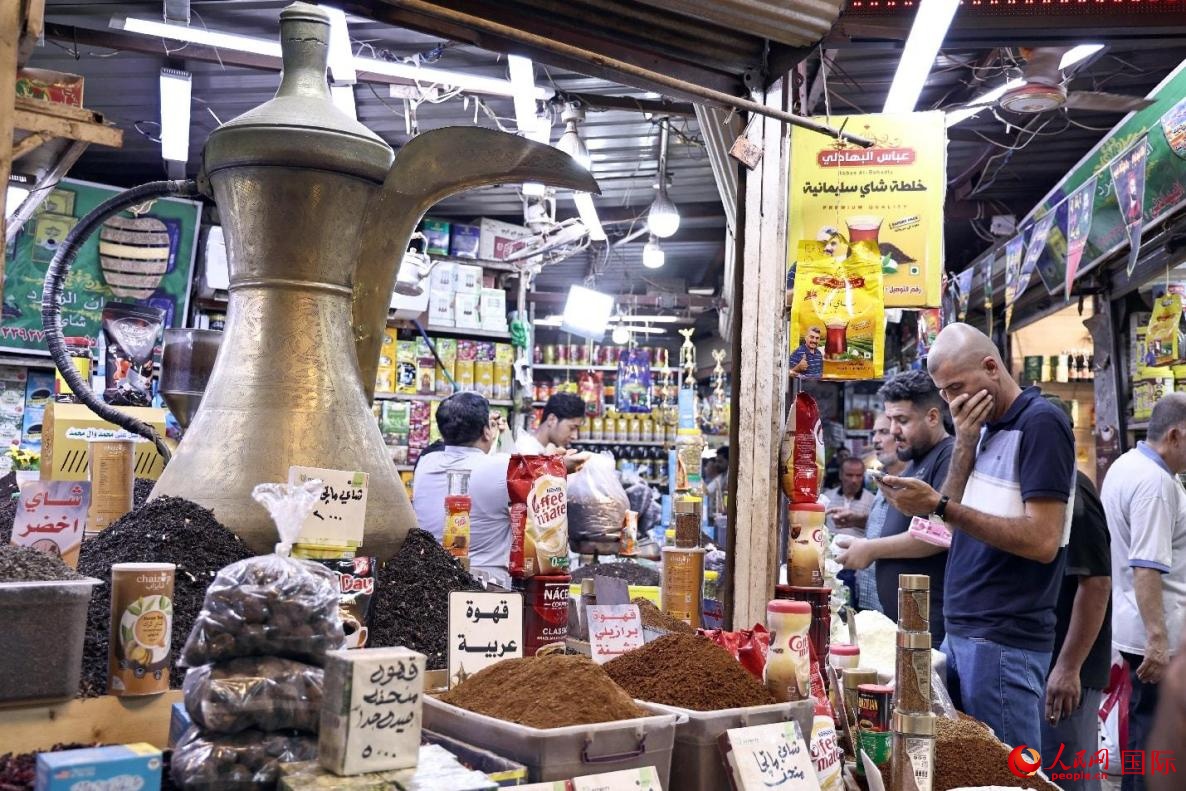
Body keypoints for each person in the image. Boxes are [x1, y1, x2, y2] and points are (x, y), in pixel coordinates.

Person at [878, 322, 1075, 753]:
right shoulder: (983, 427)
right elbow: (947, 522)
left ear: (991, 367)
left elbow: (1043, 540)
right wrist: (965, 442)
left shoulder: (1041, 423)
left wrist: (939, 504)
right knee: (971, 763)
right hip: (965, 629)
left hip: (1004, 636)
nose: (952, 402)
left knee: (1007, 773)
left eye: (956, 387)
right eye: (944, 393)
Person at [1099, 392, 1186, 791]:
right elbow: (1146, 566)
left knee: (1141, 733)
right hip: (1154, 633)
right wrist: (1157, 639)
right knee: (1153, 738)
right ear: (1175, 435)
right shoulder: (1155, 483)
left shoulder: (1126, 465)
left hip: (1134, 623)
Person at [837, 370, 953, 646]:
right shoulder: (915, 460)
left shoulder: (948, 456)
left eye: (902, 420)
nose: (892, 430)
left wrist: (871, 549)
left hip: (927, 620)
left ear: (932, 417)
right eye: (890, 420)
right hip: (904, 620)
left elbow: (941, 534)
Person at [1040, 395, 1111, 791]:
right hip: (1053, 661)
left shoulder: (1074, 494)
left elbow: (1096, 583)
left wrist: (1068, 668)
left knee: (1070, 776)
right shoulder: (1054, 489)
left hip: (1070, 669)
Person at [411, 392, 513, 587]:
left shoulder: (425, 463)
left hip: (432, 584)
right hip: (486, 586)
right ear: (486, 432)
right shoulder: (501, 467)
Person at [852, 413, 907, 613]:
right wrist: (859, 520)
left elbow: (929, 537)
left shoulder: (914, 484)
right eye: (874, 433)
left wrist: (870, 548)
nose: (875, 439)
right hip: (869, 596)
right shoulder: (883, 477)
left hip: (894, 606)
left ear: (902, 435)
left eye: (883, 432)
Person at [825, 455, 874, 607]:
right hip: (830, 564)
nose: (854, 480)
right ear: (841, 475)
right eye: (849, 475)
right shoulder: (827, 497)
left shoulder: (872, 500)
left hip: (858, 566)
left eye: (858, 475)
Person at [518, 392, 585, 454]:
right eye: (572, 428)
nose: (575, 436)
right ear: (552, 419)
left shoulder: (541, 451)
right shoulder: (525, 452)